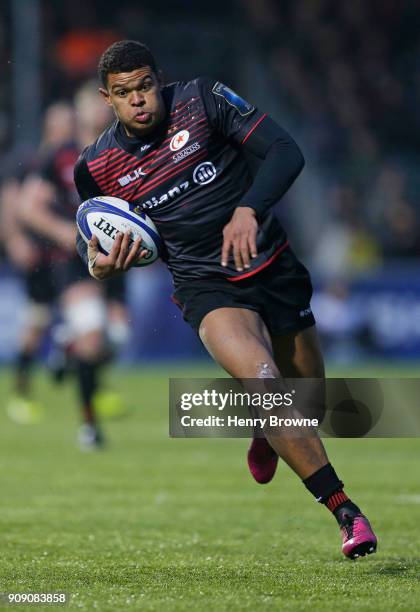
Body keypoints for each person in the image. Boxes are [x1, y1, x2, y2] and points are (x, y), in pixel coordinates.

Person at [74, 40, 377, 558]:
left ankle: (265, 433)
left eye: (145, 86)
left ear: (158, 79)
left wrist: (249, 208)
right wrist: (97, 265)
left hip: (271, 265)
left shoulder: (204, 99)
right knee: (267, 387)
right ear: (108, 98)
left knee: (309, 402)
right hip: (205, 287)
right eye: (125, 93)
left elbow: (286, 151)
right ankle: (347, 513)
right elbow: (93, 244)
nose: (139, 100)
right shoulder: (96, 166)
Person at [10, 85, 128, 448]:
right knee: (91, 335)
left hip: (120, 261)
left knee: (117, 339)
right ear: (79, 111)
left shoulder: (126, 152)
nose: (98, 110)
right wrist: (68, 233)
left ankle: (66, 346)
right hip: (75, 263)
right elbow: (28, 208)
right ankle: (89, 426)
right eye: (91, 103)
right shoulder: (60, 156)